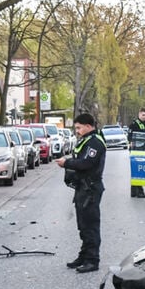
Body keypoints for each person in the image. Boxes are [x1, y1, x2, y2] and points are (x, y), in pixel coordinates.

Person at [56, 113, 107, 273]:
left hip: (90, 188)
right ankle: (84, 256)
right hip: (82, 188)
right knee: (83, 225)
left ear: (88, 126)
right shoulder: (86, 140)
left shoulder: (95, 142)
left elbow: (87, 163)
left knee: (90, 225)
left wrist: (67, 163)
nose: (77, 131)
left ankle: (92, 260)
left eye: (79, 127)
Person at [128, 107, 145, 198]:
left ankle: (133, 191)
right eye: (143, 115)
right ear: (139, 114)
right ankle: (140, 192)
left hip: (143, 149)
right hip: (136, 150)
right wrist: (131, 145)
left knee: (135, 171)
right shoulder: (134, 124)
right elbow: (129, 136)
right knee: (138, 171)